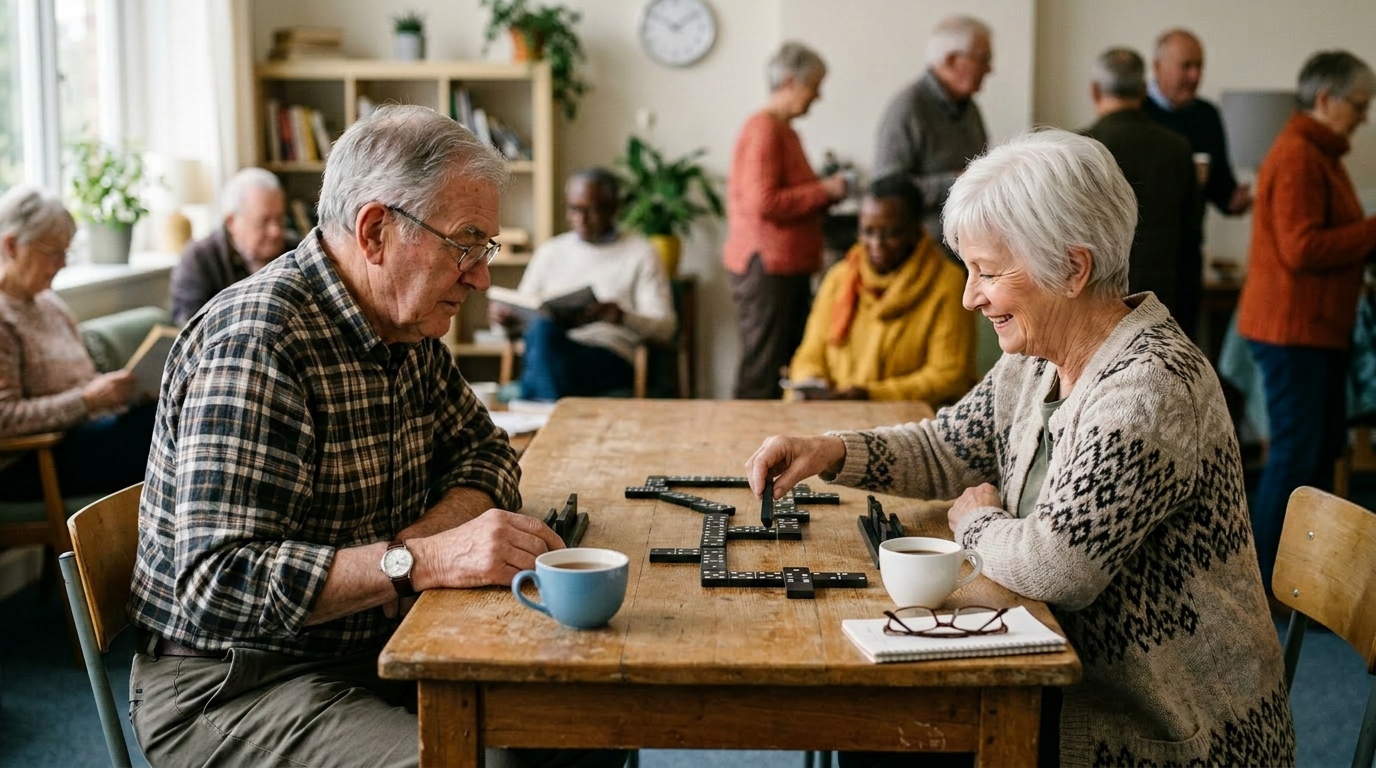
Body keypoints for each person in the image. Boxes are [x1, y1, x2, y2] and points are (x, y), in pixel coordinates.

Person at [746, 130, 1294, 766]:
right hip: (1059, 668)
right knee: (880, 726)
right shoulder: (1040, 357)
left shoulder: (1149, 387)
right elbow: (950, 443)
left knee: (890, 737)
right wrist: (830, 451)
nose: (968, 295)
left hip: (1159, 730)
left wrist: (975, 523)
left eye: (989, 271)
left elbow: (1058, 565)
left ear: (1072, 268)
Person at [127, 105, 624, 768]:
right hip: (236, 683)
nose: (479, 276)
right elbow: (219, 586)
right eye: (465, 243)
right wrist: (420, 562)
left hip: (364, 643)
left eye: (485, 249)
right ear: (376, 232)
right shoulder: (258, 345)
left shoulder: (403, 324)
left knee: (585, 724)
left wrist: (419, 544)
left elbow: (488, 453)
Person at [1237, 51, 1376, 602]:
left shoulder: (1319, 154)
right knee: (1296, 457)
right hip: (1293, 330)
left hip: (1311, 329)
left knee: (1312, 455)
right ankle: (1268, 586)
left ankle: (1299, 581)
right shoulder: (1299, 155)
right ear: (1326, 99)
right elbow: (1300, 247)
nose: (1364, 118)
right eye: (1359, 106)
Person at [0, 186, 155, 501]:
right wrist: (86, 401)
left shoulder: (51, 305)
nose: (62, 264)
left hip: (84, 440)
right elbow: (5, 418)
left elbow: (84, 383)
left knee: (164, 411)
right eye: (53, 252)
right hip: (35, 461)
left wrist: (122, 394)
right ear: (12, 245)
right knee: (156, 429)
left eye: (66, 252)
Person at [724, 41, 849, 400]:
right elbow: (762, 201)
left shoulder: (783, 129)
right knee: (762, 369)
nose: (818, 96)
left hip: (783, 269)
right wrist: (824, 191)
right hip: (766, 267)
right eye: (815, 86)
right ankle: (744, 449)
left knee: (781, 367)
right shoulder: (764, 129)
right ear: (791, 82)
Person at [785, 175, 974, 405]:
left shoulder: (947, 283)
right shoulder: (840, 277)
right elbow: (810, 353)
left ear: (915, 231)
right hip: (836, 412)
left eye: (891, 233)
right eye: (868, 231)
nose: (876, 244)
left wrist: (870, 395)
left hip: (913, 425)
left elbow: (948, 376)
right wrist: (812, 382)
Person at [490, 168, 675, 401]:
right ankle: (547, 403)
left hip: (607, 354)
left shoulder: (641, 253)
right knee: (542, 331)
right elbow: (523, 309)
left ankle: (538, 403)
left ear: (613, 208)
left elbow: (665, 328)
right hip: (551, 348)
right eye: (574, 209)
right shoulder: (551, 251)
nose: (581, 219)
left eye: (591, 210)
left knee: (540, 365)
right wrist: (507, 321)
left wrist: (621, 316)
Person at [1144, 28, 1252, 337]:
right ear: (1158, 67)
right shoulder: (1137, 113)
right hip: (1141, 260)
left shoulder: (1207, 116)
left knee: (1184, 346)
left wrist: (1236, 200)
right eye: (1186, 66)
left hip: (1188, 256)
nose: (1194, 76)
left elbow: (1222, 187)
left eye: (1199, 66)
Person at [1082, 47, 1201, 320]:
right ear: (1144, 90)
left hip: (1097, 303)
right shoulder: (1178, 148)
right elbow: (1192, 235)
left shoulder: (1080, 149)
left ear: (1095, 91)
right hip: (1163, 301)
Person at [873, 15, 992, 259]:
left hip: (966, 250)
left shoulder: (970, 108)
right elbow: (887, 193)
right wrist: (960, 181)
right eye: (984, 59)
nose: (990, 69)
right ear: (951, 60)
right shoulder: (907, 108)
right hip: (923, 260)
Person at [168, 167, 293, 324]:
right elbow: (189, 326)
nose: (275, 231)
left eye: (280, 219)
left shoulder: (295, 249)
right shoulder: (198, 259)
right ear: (231, 222)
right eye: (264, 221)